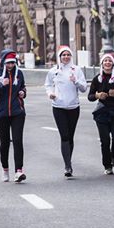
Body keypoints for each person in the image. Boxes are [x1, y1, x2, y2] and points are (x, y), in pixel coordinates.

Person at [45, 45, 88, 178]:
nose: (66, 57)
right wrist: (50, 93)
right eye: (63, 55)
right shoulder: (54, 71)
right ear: (59, 57)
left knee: (70, 136)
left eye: (68, 55)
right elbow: (48, 84)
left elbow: (84, 88)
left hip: (73, 107)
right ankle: (67, 166)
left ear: (71, 56)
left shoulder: (77, 70)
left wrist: (76, 82)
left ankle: (68, 161)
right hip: (58, 107)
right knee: (64, 136)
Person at [0, 49, 27, 183]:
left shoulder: (19, 74)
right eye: (8, 63)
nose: (10, 66)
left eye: (12, 63)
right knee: (4, 143)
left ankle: (19, 171)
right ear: (3, 62)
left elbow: (23, 87)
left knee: (17, 141)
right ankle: (5, 169)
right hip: (1, 113)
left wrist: (22, 92)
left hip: (17, 112)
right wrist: (0, 85)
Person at [88, 52, 114, 175]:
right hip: (102, 113)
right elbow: (90, 96)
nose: (107, 63)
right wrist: (97, 95)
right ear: (102, 64)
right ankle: (107, 165)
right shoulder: (97, 79)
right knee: (105, 141)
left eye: (109, 61)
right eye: (105, 61)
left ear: (113, 64)